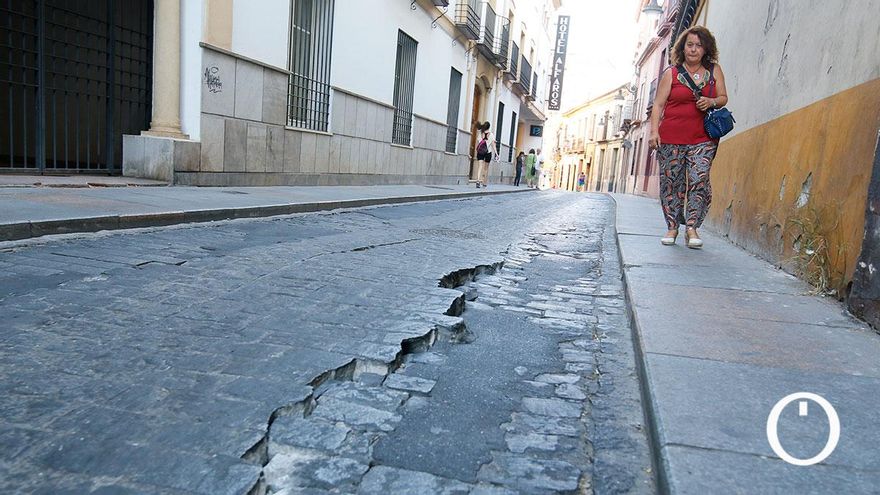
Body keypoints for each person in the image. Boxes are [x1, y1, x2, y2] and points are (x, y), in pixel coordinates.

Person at [648, 25, 727, 249]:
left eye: (698, 45)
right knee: (672, 183)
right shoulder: (671, 74)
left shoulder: (714, 71)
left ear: (706, 49)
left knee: (699, 180)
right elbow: (658, 105)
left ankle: (692, 227)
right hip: (671, 137)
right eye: (689, 45)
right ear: (683, 47)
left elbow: (723, 97)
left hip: (703, 137)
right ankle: (672, 226)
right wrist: (654, 132)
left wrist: (711, 101)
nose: (693, 49)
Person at [474, 121, 498, 188]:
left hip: (480, 152)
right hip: (488, 152)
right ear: (489, 127)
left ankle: (478, 181)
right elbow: (493, 145)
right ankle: (484, 182)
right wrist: (496, 153)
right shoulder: (491, 135)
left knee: (480, 167)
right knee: (486, 169)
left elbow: (478, 142)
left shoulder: (480, 133)